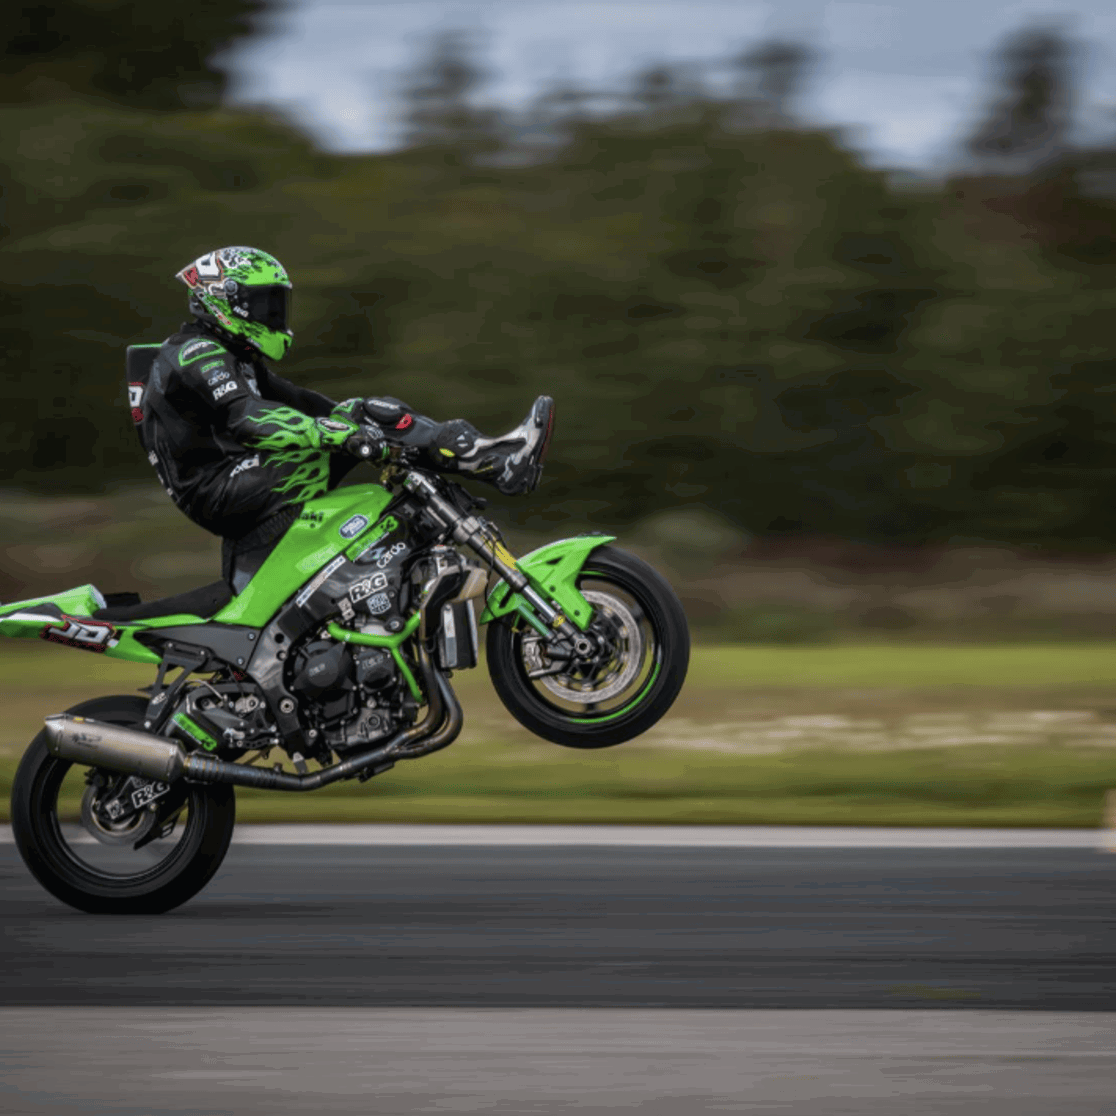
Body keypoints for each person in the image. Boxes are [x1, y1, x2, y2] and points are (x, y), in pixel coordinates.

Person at [132, 246, 552, 593]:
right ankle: (491, 465)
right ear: (225, 300)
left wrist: (357, 424)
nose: (274, 315)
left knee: (368, 413)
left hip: (236, 480)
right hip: (218, 491)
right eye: (264, 303)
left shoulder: (238, 357)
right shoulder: (194, 353)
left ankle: (485, 462)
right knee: (357, 426)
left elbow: (306, 403)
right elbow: (248, 418)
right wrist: (341, 436)